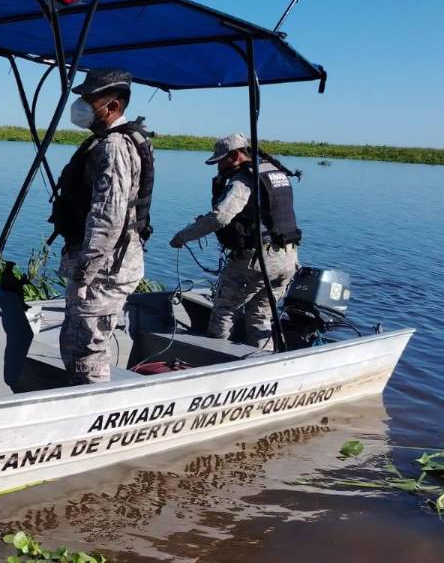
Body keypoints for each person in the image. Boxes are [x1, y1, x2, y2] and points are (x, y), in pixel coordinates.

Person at [52, 69, 155, 384]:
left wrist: (85, 273)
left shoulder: (113, 147)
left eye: (89, 99)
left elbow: (108, 216)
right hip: (105, 266)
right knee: (77, 345)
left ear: (113, 106)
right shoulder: (104, 142)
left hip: (105, 270)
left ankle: (90, 419)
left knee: (87, 352)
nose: (82, 105)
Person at [169, 133, 302, 350]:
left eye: (221, 160)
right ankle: (262, 363)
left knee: (224, 310)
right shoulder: (274, 172)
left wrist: (183, 237)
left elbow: (221, 216)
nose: (218, 166)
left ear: (236, 155)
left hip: (258, 261)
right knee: (260, 318)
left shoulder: (244, 179)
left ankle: (213, 359)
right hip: (288, 258)